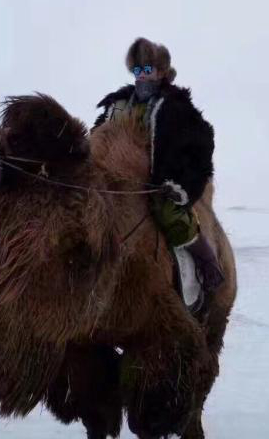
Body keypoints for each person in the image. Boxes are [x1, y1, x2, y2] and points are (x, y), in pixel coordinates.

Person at [93, 37, 223, 308]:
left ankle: (206, 262)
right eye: (138, 71)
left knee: (168, 213)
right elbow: (96, 137)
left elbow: (201, 144)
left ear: (161, 71)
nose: (143, 76)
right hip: (116, 180)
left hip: (159, 182)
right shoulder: (117, 105)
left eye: (148, 70)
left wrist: (180, 184)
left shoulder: (176, 107)